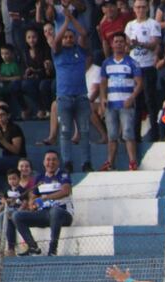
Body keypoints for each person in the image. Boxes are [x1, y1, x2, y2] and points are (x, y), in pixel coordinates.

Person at [52, 7, 93, 173]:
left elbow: (83, 34)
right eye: (66, 37)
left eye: (71, 37)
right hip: (64, 98)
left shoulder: (80, 50)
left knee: (84, 132)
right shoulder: (57, 53)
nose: (68, 39)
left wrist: (71, 19)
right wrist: (66, 22)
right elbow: (55, 41)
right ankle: (67, 162)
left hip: (81, 97)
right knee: (65, 132)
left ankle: (86, 162)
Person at [12, 150, 74, 256]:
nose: (51, 162)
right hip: (44, 214)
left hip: (63, 214)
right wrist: (32, 204)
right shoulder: (40, 178)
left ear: (58, 162)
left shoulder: (63, 174)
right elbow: (33, 196)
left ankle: (53, 249)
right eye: (48, 160)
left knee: (55, 211)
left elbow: (66, 191)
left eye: (54, 160)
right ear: (44, 162)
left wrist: (45, 198)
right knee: (17, 215)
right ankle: (33, 247)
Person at [99, 32, 143, 172]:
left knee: (128, 133)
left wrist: (132, 97)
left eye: (121, 41)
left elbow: (140, 84)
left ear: (125, 44)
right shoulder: (106, 63)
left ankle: (132, 162)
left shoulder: (132, 62)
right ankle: (110, 163)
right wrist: (103, 99)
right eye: (116, 41)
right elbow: (103, 84)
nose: (118, 44)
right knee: (112, 135)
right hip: (111, 105)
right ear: (112, 44)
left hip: (126, 104)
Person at [125, 0, 161, 142]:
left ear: (147, 8)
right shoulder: (130, 25)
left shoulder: (153, 24)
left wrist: (139, 43)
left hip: (148, 66)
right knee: (136, 102)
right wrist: (131, 46)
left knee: (150, 100)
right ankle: (136, 136)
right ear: (134, 9)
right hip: (134, 68)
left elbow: (154, 44)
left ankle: (155, 134)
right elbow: (127, 47)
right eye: (138, 7)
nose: (140, 10)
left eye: (143, 7)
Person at [0, 106, 26, 196]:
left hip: (17, 159)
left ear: (8, 116)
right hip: (5, 158)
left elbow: (16, 150)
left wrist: (2, 140)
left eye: (2, 115)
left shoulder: (14, 129)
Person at [0, 168, 25, 257]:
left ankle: (1, 236)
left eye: (14, 179)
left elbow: (24, 202)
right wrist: (4, 203)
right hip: (8, 209)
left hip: (15, 210)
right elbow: (3, 199)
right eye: (10, 179)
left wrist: (19, 209)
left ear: (19, 179)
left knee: (2, 215)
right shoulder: (8, 190)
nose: (12, 181)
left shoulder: (21, 190)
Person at [19, 27, 53, 120]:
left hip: (45, 77)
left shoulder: (45, 49)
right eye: (29, 37)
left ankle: (49, 109)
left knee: (43, 85)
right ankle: (40, 108)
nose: (31, 40)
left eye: (34, 37)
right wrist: (27, 73)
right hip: (33, 78)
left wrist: (45, 68)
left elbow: (48, 71)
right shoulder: (25, 52)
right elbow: (23, 69)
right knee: (25, 85)